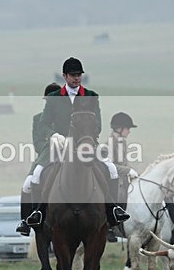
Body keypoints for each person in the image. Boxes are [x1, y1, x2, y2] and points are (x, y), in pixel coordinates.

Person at [15, 57, 130, 235]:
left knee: (112, 169)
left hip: (87, 144)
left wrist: (88, 139)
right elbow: (44, 124)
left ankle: (113, 211)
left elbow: (97, 124)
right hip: (58, 146)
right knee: (33, 179)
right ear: (65, 76)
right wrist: (53, 135)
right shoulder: (54, 98)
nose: (77, 78)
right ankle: (35, 215)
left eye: (79, 75)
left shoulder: (91, 96)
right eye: (73, 75)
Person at [15, 82, 61, 236]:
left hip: (70, 155)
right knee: (28, 184)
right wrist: (51, 149)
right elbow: (38, 143)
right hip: (46, 157)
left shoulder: (68, 118)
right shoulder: (38, 119)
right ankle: (26, 221)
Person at [104, 112, 137, 242]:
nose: (129, 132)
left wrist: (134, 172)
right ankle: (110, 226)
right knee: (119, 195)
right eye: (128, 128)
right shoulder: (111, 143)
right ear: (120, 128)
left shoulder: (121, 141)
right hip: (112, 179)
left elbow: (124, 162)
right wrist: (128, 170)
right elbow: (111, 164)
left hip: (121, 178)